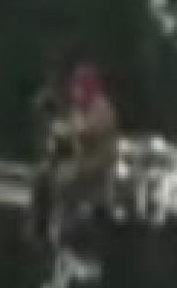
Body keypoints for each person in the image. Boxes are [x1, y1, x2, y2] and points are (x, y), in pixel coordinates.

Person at [31, 62, 119, 243]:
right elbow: (69, 135)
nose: (75, 92)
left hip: (96, 167)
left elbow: (86, 132)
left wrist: (66, 130)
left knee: (64, 179)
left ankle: (67, 228)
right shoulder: (79, 108)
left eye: (79, 87)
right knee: (43, 173)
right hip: (79, 160)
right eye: (75, 87)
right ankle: (40, 226)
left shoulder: (102, 109)